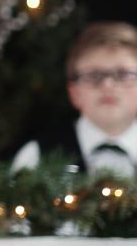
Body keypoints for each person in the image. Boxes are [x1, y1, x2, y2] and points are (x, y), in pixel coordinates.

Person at [10, 21, 137, 175]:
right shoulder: (37, 156)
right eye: (93, 76)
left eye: (123, 74)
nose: (107, 85)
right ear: (74, 92)